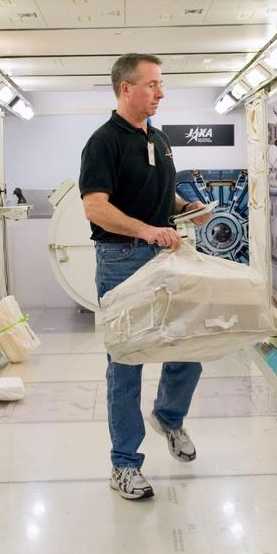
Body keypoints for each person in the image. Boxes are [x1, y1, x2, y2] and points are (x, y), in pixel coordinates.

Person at [78, 53, 212, 500]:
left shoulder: (157, 137)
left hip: (164, 256)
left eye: (161, 84)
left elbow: (157, 191)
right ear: (126, 89)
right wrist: (147, 231)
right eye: (152, 84)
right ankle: (124, 464)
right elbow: (96, 206)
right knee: (127, 361)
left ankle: (169, 417)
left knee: (189, 343)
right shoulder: (103, 142)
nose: (160, 92)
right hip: (122, 259)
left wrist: (183, 208)